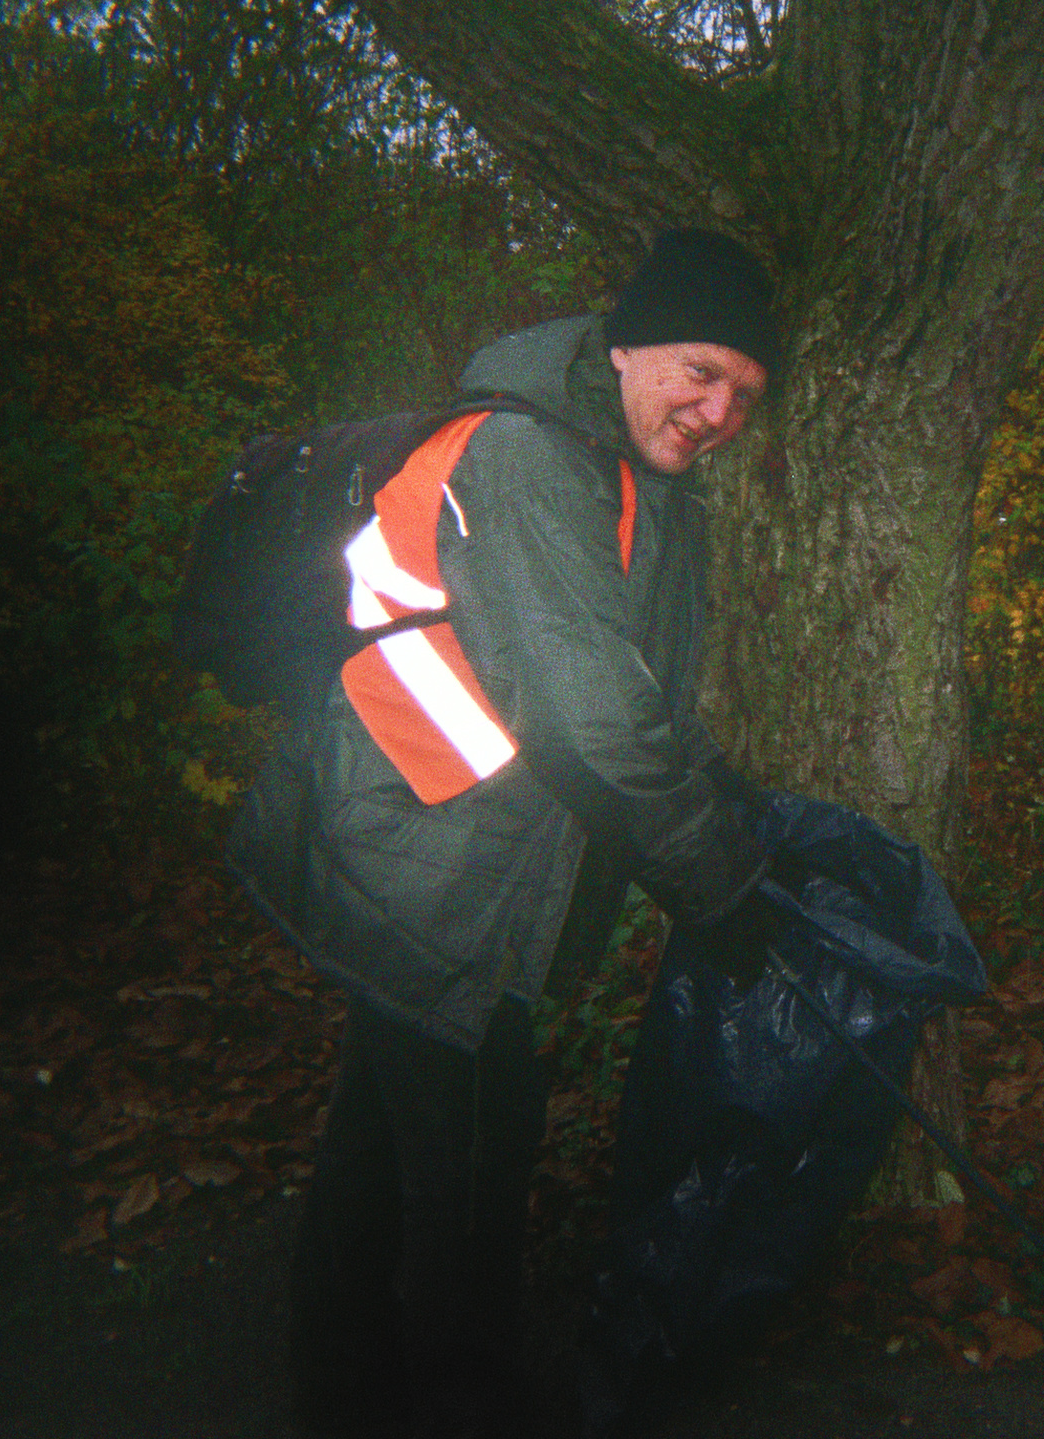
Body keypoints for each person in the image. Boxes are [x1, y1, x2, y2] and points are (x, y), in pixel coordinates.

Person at [228, 229, 787, 1438]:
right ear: (627, 342)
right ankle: (462, 1397)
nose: (714, 408)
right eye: (698, 369)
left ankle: (333, 1381)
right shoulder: (533, 456)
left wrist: (728, 804)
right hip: (433, 865)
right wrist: (724, 883)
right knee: (474, 1171)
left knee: (383, 1138)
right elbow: (595, 719)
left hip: (433, 845)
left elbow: (641, 697)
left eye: (742, 392)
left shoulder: (637, 476)